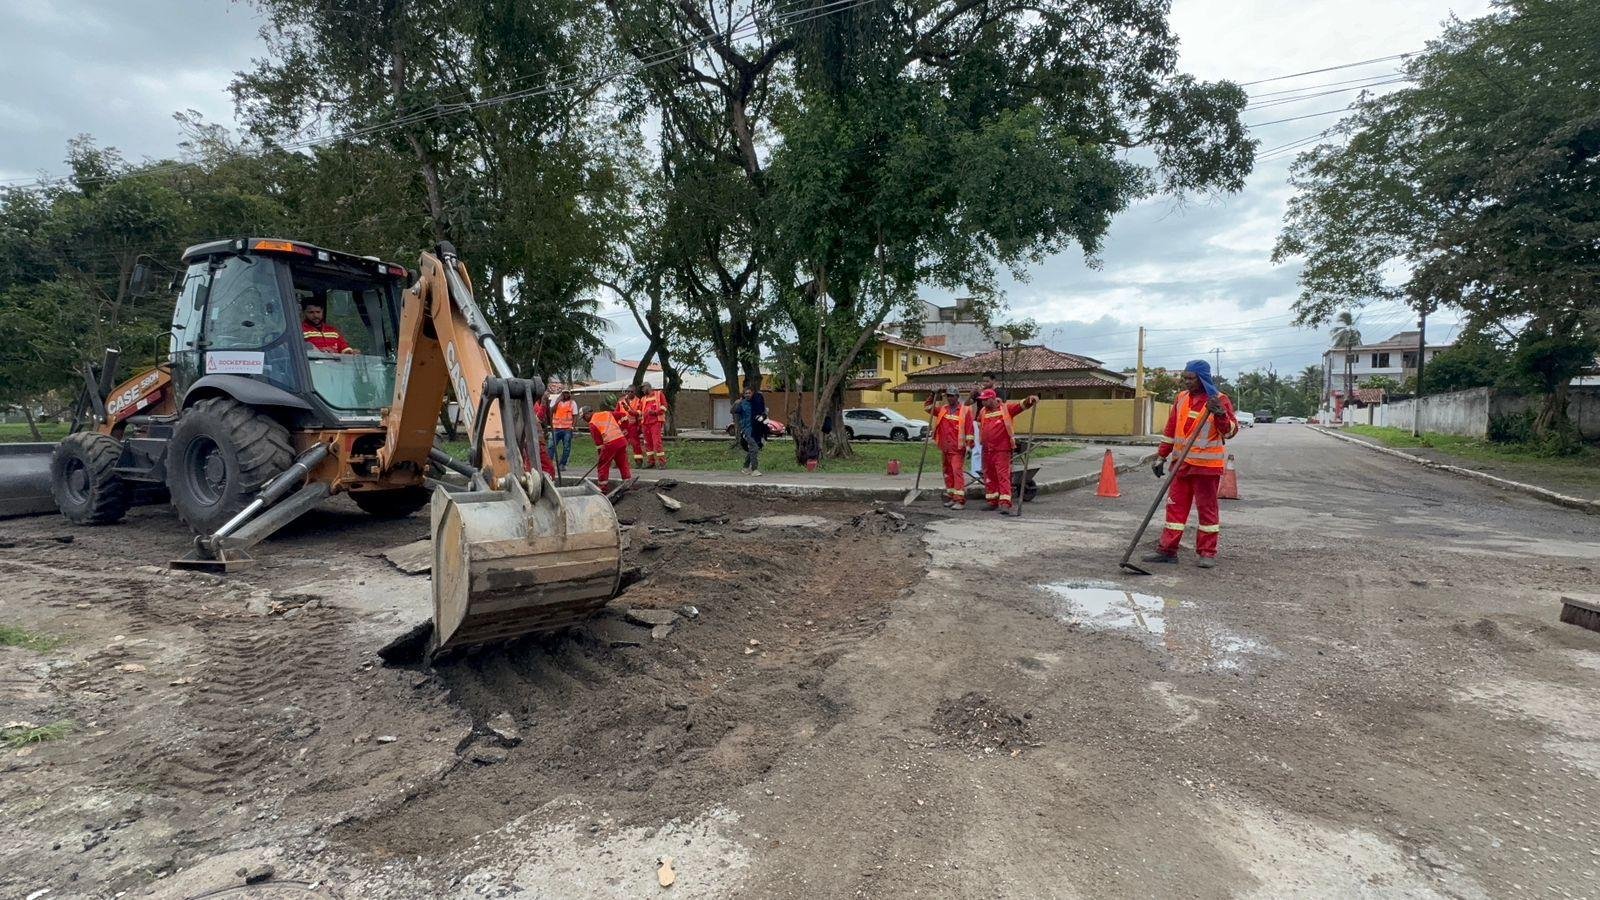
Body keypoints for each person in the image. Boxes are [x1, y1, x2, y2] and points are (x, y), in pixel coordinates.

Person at [1143, 359, 1239, 569]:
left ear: (1202, 378)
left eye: (1191, 378)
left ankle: (1207, 553)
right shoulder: (1181, 398)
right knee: (1175, 509)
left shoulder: (1219, 399)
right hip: (1181, 465)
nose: (1186, 382)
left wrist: (1220, 413)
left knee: (1207, 510)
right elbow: (1171, 430)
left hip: (1206, 468)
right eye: (1184, 378)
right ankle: (1168, 550)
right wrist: (1161, 456)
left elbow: (1230, 432)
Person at [975, 388, 1038, 516]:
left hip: (1002, 449)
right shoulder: (982, 411)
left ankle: (1005, 503)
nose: (983, 402)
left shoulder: (1006, 409)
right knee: (989, 475)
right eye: (982, 400)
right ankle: (992, 501)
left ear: (992, 399)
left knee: (1003, 475)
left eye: (985, 400)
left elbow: (1021, 406)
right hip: (987, 449)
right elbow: (979, 425)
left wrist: (1029, 400)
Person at [924, 386, 974, 509]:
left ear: (957, 397)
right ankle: (952, 496)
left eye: (952, 396)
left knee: (957, 473)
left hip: (957, 448)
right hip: (945, 447)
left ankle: (960, 500)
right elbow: (927, 407)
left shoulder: (965, 410)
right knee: (948, 473)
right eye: (948, 396)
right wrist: (932, 394)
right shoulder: (943, 410)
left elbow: (969, 430)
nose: (950, 398)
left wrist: (969, 446)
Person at [586, 405, 631, 493]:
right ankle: (627, 482)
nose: (584, 420)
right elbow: (624, 415)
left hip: (610, 443)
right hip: (621, 440)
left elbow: (599, 444)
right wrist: (625, 428)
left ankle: (603, 488)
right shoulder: (607, 413)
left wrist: (601, 458)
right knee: (622, 463)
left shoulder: (592, 423)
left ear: (588, 414)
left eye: (584, 417)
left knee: (603, 465)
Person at [732, 387, 763, 476]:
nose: (748, 395)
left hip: (756, 429)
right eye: (746, 393)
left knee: (754, 448)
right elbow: (733, 411)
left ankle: (745, 467)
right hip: (747, 429)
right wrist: (735, 403)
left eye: (749, 393)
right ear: (744, 394)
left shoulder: (755, 403)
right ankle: (754, 469)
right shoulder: (742, 404)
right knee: (754, 447)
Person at [638, 384, 669, 468]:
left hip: (656, 422)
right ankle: (651, 462)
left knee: (657, 442)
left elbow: (664, 406)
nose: (642, 390)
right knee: (647, 443)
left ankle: (662, 463)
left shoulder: (659, 394)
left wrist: (655, 412)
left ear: (648, 387)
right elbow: (640, 411)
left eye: (643, 388)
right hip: (645, 423)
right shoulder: (643, 398)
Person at [547, 390, 578, 469]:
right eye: (564, 393)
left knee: (566, 447)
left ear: (569, 394)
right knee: (551, 446)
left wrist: (572, 427)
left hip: (567, 429)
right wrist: (558, 401)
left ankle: (562, 464)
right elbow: (551, 411)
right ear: (562, 393)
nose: (566, 394)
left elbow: (575, 416)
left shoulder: (572, 403)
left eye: (567, 393)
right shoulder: (555, 401)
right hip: (556, 428)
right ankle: (549, 464)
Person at [615, 387, 645, 466]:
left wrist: (628, 410)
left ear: (634, 392)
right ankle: (619, 462)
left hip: (633, 425)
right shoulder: (621, 400)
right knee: (620, 444)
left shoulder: (638, 401)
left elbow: (637, 413)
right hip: (623, 426)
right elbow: (616, 412)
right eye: (627, 391)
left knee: (635, 443)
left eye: (631, 391)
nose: (629, 393)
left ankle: (639, 462)